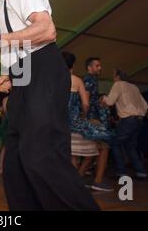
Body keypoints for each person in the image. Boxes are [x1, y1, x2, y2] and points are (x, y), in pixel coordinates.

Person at [0, 0, 99, 210]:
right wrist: (10, 74)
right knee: (16, 165)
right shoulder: (1, 2)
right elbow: (21, 43)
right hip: (24, 78)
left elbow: (46, 29)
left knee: (43, 156)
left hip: (44, 72)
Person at [62, 52, 113, 192]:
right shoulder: (78, 80)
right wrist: (84, 116)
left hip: (58, 122)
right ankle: (96, 181)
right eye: (97, 65)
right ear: (73, 65)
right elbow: (85, 104)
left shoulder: (52, 79)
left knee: (76, 155)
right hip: (74, 121)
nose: (100, 68)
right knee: (104, 142)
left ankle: (74, 181)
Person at [101, 69, 148, 178]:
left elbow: (110, 102)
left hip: (128, 120)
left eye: (113, 75)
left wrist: (103, 98)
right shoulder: (134, 87)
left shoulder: (118, 84)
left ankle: (121, 172)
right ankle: (141, 171)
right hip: (139, 120)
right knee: (130, 146)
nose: (113, 78)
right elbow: (145, 105)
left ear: (117, 76)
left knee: (114, 143)